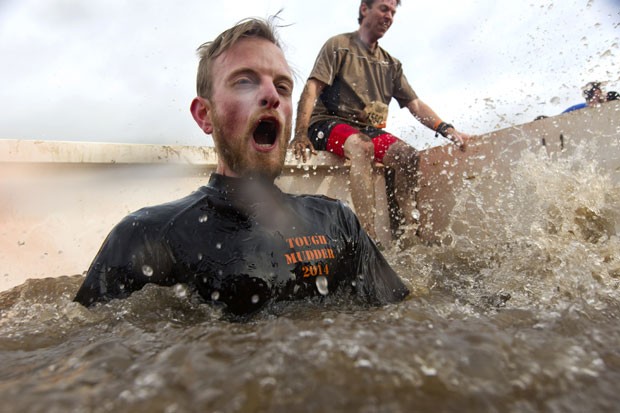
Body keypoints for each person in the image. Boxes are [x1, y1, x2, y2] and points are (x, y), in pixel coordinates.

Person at [73, 17, 409, 316]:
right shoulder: (146, 235)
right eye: (245, 82)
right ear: (205, 115)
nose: (271, 96)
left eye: (282, 86)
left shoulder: (338, 222)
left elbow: (403, 321)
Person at [290, 0, 469, 242]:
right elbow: (312, 88)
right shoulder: (339, 46)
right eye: (384, 9)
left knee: (407, 156)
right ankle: (369, 239)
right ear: (365, 9)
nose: (389, 17)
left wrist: (446, 128)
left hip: (365, 129)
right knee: (362, 146)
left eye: (393, 12)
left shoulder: (391, 64)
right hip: (326, 123)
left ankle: (409, 235)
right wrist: (300, 133)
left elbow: (415, 104)